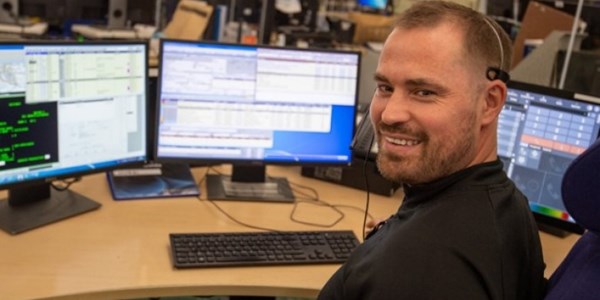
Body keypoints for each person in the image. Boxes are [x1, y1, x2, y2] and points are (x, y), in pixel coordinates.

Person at [317, 1, 546, 299]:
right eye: (385, 87)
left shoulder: (417, 268)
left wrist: (405, 246)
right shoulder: (504, 202)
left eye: (424, 92)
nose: (389, 115)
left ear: (489, 103)